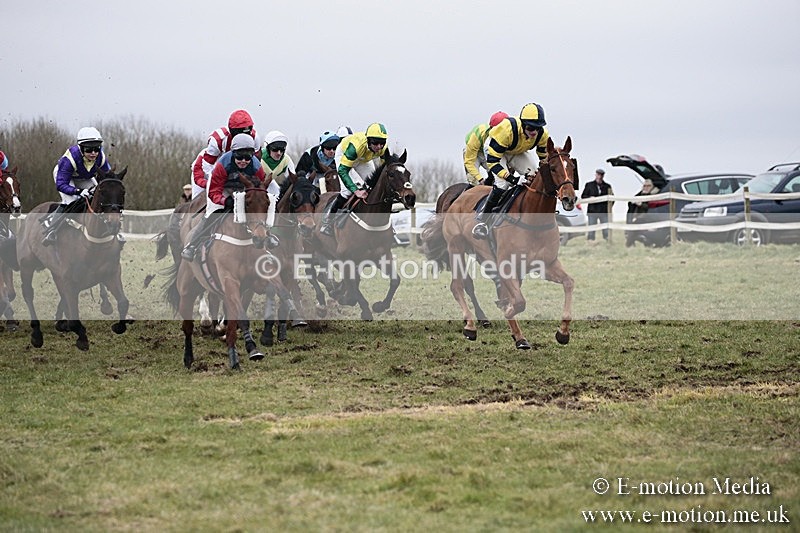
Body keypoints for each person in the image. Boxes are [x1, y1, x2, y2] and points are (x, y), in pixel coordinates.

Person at [181, 134, 270, 262]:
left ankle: (268, 236)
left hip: (244, 190)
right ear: (233, 153)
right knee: (212, 213)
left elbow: (260, 188)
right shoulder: (223, 164)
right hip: (222, 189)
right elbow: (213, 191)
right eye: (240, 157)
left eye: (247, 157)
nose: (244, 161)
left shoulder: (256, 166)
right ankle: (192, 246)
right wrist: (224, 200)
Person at [472, 103, 550, 239]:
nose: (534, 132)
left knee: (533, 176)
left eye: (538, 128)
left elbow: (543, 158)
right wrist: (513, 179)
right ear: (523, 124)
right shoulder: (506, 130)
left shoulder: (542, 135)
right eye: (531, 127)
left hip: (516, 149)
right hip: (496, 151)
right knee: (503, 184)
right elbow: (493, 163)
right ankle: (483, 221)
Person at [42, 127, 112, 246]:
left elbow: (108, 178)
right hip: (65, 178)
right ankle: (52, 228)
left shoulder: (101, 157)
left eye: (96, 149)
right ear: (81, 148)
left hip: (84, 176)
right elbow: (61, 185)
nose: (94, 153)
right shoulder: (69, 160)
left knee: (99, 196)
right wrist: (78, 191)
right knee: (72, 201)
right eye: (89, 150)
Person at [319, 122, 389, 236]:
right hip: (344, 156)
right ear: (368, 140)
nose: (379, 147)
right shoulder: (356, 147)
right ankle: (327, 221)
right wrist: (356, 190)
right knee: (347, 192)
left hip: (363, 159)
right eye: (375, 143)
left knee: (373, 186)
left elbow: (384, 167)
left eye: (382, 143)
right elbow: (342, 170)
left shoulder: (382, 148)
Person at [189, 109, 259, 199]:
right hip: (204, 171)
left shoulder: (255, 138)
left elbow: (255, 164)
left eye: (246, 133)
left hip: (229, 169)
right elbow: (207, 167)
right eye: (240, 134)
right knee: (205, 200)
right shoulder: (218, 139)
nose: (243, 138)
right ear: (232, 131)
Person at [463, 111, 508, 187]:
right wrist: (480, 179)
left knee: (497, 179)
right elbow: (469, 162)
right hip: (474, 153)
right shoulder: (477, 136)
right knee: (474, 181)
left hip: (487, 152)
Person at [581, 168, 614, 241]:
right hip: (592, 211)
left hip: (604, 212)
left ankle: (607, 242)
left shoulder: (607, 186)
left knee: (606, 229)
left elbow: (612, 199)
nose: (599, 176)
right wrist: (590, 198)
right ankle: (591, 242)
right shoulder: (589, 185)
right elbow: (583, 196)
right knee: (591, 229)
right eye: (598, 174)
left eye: (601, 175)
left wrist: (608, 208)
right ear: (595, 175)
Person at [625, 178, 660, 247]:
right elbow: (631, 202)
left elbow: (651, 207)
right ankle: (630, 244)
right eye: (644, 186)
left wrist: (641, 204)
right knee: (633, 228)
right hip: (640, 217)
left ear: (652, 187)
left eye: (648, 186)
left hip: (651, 217)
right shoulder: (642, 193)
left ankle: (629, 244)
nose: (646, 187)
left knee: (634, 227)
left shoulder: (655, 195)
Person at [260, 130, 296, 197]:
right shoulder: (259, 156)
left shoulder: (286, 160)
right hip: (254, 185)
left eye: (282, 150)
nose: (279, 153)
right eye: (275, 149)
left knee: (278, 196)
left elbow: (293, 180)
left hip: (270, 183)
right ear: (268, 148)